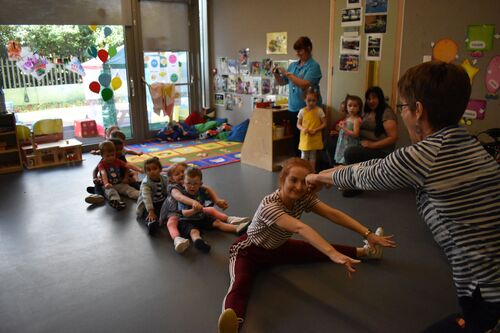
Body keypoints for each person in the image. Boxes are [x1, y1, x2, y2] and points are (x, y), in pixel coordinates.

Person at [306, 61, 500, 333]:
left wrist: (316, 177)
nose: (403, 115)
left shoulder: (427, 154)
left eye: (404, 107)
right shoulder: (470, 144)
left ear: (418, 110)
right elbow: (369, 168)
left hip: (486, 289)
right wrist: (330, 172)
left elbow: (368, 175)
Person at [217, 158, 396, 333]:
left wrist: (367, 233)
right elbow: (300, 228)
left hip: (278, 247)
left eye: (304, 181)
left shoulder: (304, 198)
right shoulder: (269, 205)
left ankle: (366, 252)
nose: (299, 186)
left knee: (313, 250)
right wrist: (332, 253)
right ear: (282, 180)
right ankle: (233, 323)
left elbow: (333, 214)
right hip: (249, 252)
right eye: (293, 180)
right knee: (240, 282)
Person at [160, 163, 249, 253]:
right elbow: (180, 199)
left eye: (183, 172)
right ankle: (192, 241)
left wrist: (217, 201)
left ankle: (236, 226)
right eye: (177, 174)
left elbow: (207, 190)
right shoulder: (177, 189)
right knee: (188, 229)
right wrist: (193, 206)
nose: (192, 186)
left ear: (199, 184)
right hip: (180, 214)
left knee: (216, 220)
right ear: (183, 183)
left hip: (200, 215)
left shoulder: (198, 188)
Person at [342, 86, 398, 196]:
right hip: (363, 144)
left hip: (381, 150)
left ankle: (355, 186)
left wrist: (372, 145)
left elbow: (393, 137)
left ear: (380, 98)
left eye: (374, 98)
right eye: (368, 98)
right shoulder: (368, 112)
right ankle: (342, 176)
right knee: (331, 143)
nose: (371, 101)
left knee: (350, 152)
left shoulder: (386, 113)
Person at [274, 36, 322, 156]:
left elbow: (304, 84)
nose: (298, 54)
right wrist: (276, 74)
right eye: (296, 51)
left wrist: (287, 73)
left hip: (309, 110)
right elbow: (282, 82)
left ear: (309, 49)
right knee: (296, 139)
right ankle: (298, 164)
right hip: (293, 107)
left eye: (300, 50)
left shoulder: (314, 66)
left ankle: (309, 166)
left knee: (309, 140)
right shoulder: (293, 65)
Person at [96, 140, 143, 210]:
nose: (111, 158)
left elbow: (127, 165)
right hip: (108, 185)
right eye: (108, 156)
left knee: (128, 189)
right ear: (102, 155)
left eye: (112, 155)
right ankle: (116, 202)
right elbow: (103, 173)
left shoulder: (116, 160)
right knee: (111, 192)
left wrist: (139, 169)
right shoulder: (101, 164)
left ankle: (142, 196)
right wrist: (106, 183)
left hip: (119, 183)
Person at [136, 157, 168, 235]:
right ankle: (151, 224)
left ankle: (163, 218)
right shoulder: (146, 183)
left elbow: (168, 190)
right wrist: (150, 211)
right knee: (149, 215)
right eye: (149, 170)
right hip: (147, 205)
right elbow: (147, 198)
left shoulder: (164, 179)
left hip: (160, 201)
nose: (152, 171)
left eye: (154, 169)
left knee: (167, 210)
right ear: (145, 172)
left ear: (160, 169)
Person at [297, 88, 326, 171]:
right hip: (305, 138)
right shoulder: (302, 111)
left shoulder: (319, 110)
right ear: (304, 100)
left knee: (313, 156)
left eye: (314, 100)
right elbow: (298, 124)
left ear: (316, 100)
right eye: (309, 100)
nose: (311, 103)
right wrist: (302, 129)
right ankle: (303, 170)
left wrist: (316, 130)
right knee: (304, 156)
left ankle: (312, 171)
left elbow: (324, 123)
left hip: (315, 137)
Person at [334, 94, 363, 164]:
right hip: (343, 142)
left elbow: (356, 134)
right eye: (349, 105)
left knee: (347, 161)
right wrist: (340, 127)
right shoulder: (347, 118)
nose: (352, 108)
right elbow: (343, 130)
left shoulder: (356, 120)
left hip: (350, 143)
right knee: (341, 159)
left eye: (355, 106)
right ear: (346, 107)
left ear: (359, 108)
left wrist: (343, 128)